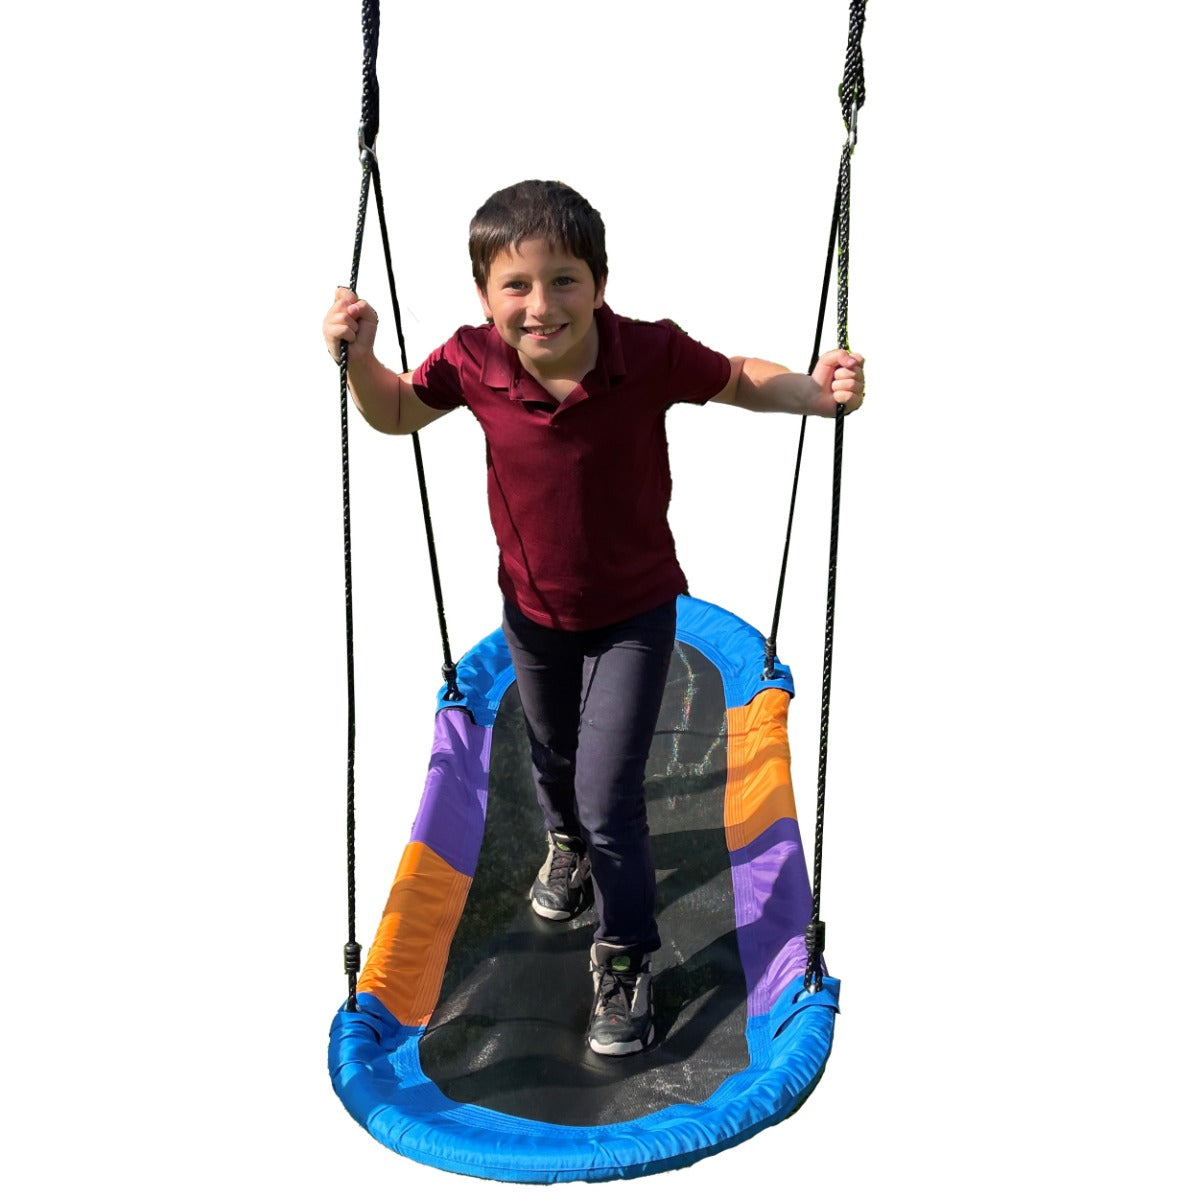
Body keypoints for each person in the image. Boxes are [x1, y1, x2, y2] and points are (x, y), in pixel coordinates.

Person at [322, 180, 864, 1058]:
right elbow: (393, 412)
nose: (542, 306)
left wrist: (813, 390)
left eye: (564, 280)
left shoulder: (644, 353)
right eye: (517, 285)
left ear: (600, 284)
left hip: (634, 615)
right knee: (552, 755)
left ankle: (624, 958)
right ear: (484, 296)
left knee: (611, 795)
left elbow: (737, 378)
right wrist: (360, 357)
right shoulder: (469, 361)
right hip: (531, 612)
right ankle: (565, 843)